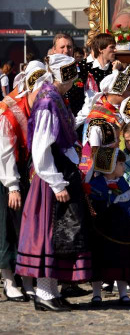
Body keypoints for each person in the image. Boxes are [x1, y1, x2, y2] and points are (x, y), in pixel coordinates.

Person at [15, 54, 92, 311]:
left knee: (59, 236)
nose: (74, 82)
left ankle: (49, 291)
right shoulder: (48, 101)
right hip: (50, 179)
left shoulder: (55, 97)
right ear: (64, 76)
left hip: (59, 172)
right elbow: (41, 148)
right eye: (71, 77)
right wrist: (57, 183)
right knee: (50, 234)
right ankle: (44, 293)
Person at [0, 62, 48, 302]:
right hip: (7, 174)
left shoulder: (38, 109)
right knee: (7, 228)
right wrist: (13, 186)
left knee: (27, 228)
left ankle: (27, 278)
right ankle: (9, 280)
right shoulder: (10, 111)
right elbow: (5, 151)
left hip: (27, 170)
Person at [86, 147, 130, 307]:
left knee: (123, 260)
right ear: (109, 166)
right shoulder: (96, 184)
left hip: (123, 228)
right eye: (120, 164)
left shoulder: (123, 182)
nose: (123, 166)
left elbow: (129, 206)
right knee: (100, 261)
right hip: (103, 228)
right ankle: (96, 294)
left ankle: (123, 293)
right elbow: (93, 205)